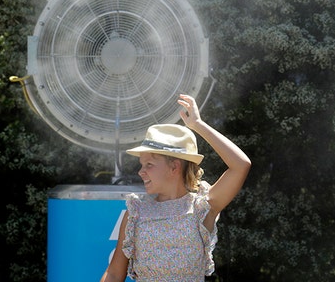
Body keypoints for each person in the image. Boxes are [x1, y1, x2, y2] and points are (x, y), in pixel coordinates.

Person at [101, 94, 251, 282]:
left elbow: (241, 165)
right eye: (141, 164)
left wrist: (198, 125)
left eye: (149, 165)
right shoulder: (135, 212)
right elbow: (114, 274)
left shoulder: (202, 208)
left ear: (174, 166)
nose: (141, 172)